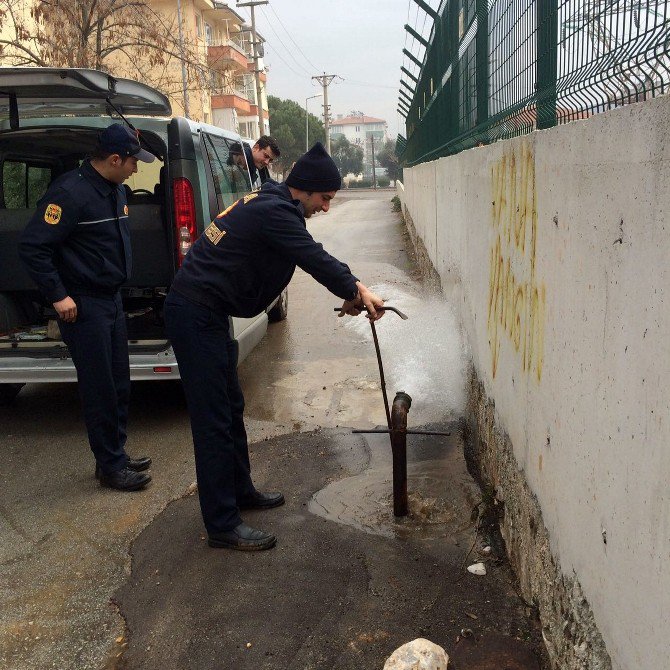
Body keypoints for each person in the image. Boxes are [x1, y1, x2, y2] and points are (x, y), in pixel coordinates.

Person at [164, 142, 384, 551]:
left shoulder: (273, 203)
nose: (327, 207)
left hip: (207, 313)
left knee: (230, 408)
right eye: (325, 198)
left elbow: (295, 254)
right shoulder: (275, 211)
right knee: (213, 420)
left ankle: (240, 492)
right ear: (304, 189)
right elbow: (312, 256)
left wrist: (347, 291)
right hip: (194, 314)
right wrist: (356, 287)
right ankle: (222, 524)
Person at [19, 123, 155, 492]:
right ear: (114, 159)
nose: (135, 169)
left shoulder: (114, 189)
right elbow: (34, 247)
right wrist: (58, 295)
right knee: (100, 388)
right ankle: (110, 468)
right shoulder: (69, 193)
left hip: (111, 300)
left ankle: (115, 453)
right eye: (132, 162)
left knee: (119, 384)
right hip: (83, 305)